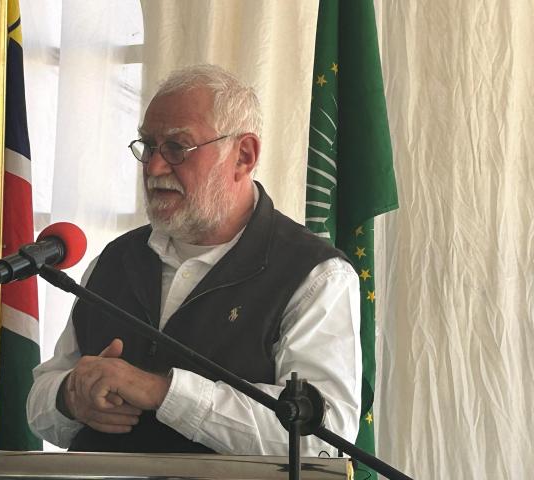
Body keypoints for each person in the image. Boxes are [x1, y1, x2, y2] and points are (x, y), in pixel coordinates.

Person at [26, 64, 361, 456]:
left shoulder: (314, 276)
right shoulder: (115, 260)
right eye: (148, 146)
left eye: (176, 147)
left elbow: (323, 439)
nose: (153, 167)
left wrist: (164, 393)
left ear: (244, 155)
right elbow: (39, 404)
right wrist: (69, 396)